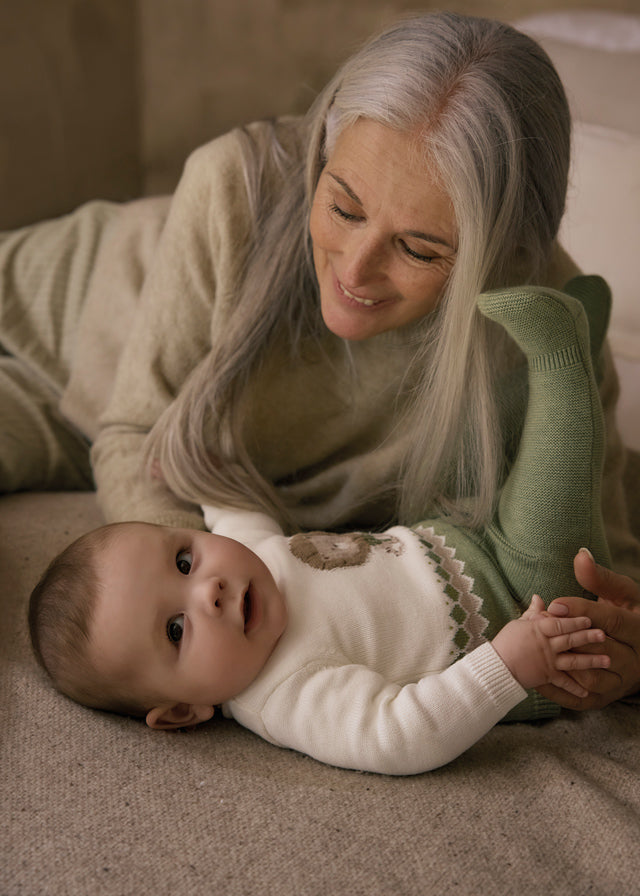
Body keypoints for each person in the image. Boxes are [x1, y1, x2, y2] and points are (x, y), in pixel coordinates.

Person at [4, 14, 640, 702]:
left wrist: (625, 648)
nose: (355, 270)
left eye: (418, 248)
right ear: (324, 148)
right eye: (343, 207)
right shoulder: (232, 185)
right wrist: (213, 635)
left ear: (506, 253)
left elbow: (605, 569)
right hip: (44, 324)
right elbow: (135, 433)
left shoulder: (546, 328)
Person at [28, 286, 615, 775]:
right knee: (552, 478)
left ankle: (566, 358)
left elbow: (235, 513)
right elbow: (397, 737)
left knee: (473, 440)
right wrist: (508, 664)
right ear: (184, 710)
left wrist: (197, 474)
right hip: (526, 604)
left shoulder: (250, 561)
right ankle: (562, 356)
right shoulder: (286, 694)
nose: (208, 590)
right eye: (176, 630)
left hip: (461, 532)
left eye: (183, 561)